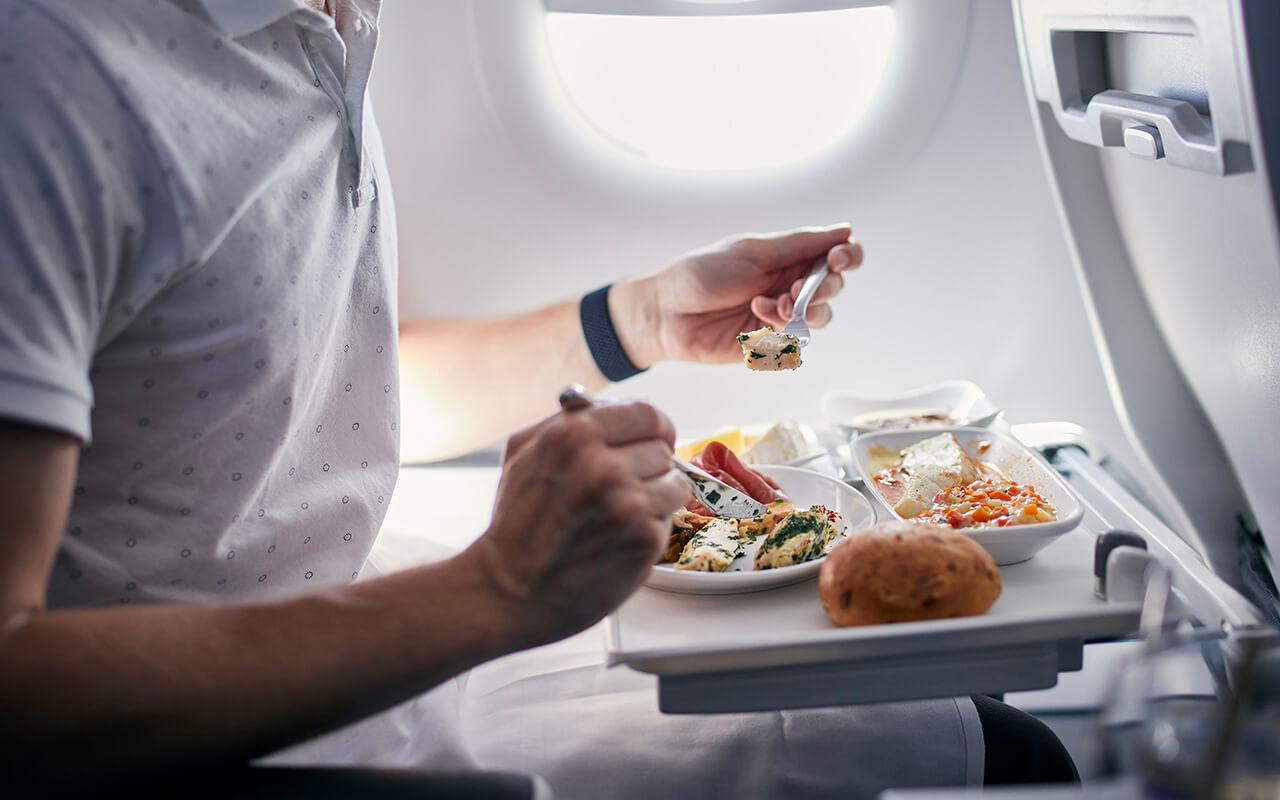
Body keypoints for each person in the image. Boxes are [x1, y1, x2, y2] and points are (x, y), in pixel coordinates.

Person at [0, 1, 1075, 796]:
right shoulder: (51, 78)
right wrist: (496, 586)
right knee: (1009, 764)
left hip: (381, 627)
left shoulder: (328, 26)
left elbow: (304, 401)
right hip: (240, 733)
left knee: (976, 729)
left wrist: (639, 320)